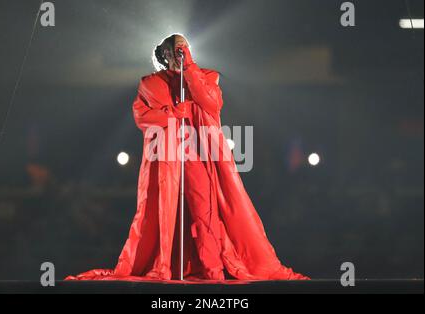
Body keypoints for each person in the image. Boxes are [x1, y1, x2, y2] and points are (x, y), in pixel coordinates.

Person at [65, 34, 308, 281]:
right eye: (175, 50)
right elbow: (143, 118)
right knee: (167, 212)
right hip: (167, 156)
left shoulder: (206, 77)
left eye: (185, 49)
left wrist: (189, 69)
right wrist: (172, 113)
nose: (180, 53)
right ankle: (168, 265)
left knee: (204, 211)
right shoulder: (151, 84)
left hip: (198, 153)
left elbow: (211, 104)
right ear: (166, 54)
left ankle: (212, 270)